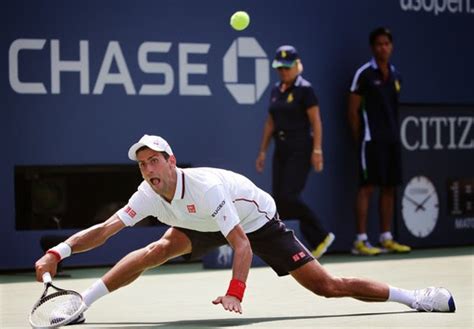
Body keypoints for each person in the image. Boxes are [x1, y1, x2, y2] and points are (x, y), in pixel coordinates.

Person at [35, 134, 455, 324]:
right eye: (142, 164)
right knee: (155, 250)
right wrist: (60, 252)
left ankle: (416, 298)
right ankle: (79, 306)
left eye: (154, 161)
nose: (148, 170)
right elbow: (106, 229)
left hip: (255, 224)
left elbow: (241, 244)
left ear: (171, 159)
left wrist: (236, 291)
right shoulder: (147, 192)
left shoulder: (207, 185)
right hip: (199, 222)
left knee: (327, 285)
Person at [255, 45, 335, 259]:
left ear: (297, 66)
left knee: (289, 196)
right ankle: (294, 247)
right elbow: (270, 123)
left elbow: (316, 121)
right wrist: (263, 151)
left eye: (287, 67)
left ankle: (321, 236)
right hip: (281, 149)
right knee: (279, 201)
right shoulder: (275, 90)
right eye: (280, 67)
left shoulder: (305, 90)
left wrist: (317, 150)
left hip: (301, 148)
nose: (283, 71)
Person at [347, 27, 411, 256]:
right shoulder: (364, 75)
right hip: (370, 141)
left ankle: (386, 238)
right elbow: (353, 111)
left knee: (389, 187)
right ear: (373, 48)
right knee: (367, 188)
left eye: (387, 44)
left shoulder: (395, 75)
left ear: (391, 47)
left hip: (392, 140)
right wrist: (360, 139)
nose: (383, 47)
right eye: (379, 44)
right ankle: (361, 240)